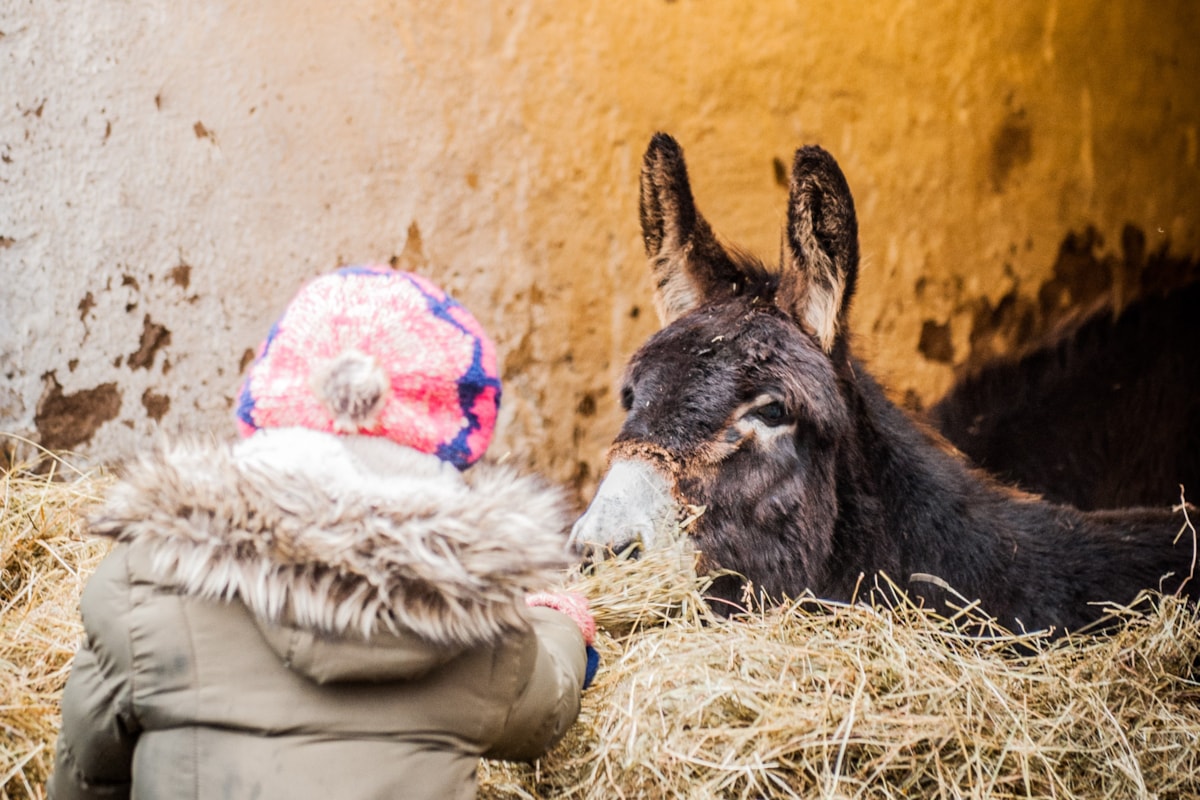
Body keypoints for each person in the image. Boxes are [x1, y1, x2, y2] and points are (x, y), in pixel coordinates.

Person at [48, 264, 596, 800]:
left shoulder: (149, 576)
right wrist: (558, 623)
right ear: (449, 435)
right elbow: (542, 714)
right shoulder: (478, 617)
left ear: (270, 398)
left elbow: (88, 770)